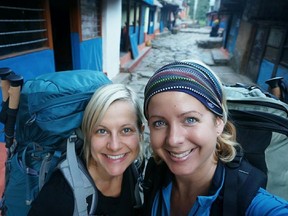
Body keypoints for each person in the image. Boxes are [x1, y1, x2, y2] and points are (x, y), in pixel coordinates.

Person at [142, 60, 288, 215]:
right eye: (159, 123)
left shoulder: (254, 203)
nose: (173, 139)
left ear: (219, 123)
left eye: (190, 119)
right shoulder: (155, 176)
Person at [28, 83, 145, 216]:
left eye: (126, 130)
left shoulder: (136, 169)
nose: (114, 146)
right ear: (87, 135)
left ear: (140, 133)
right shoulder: (59, 197)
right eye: (102, 131)